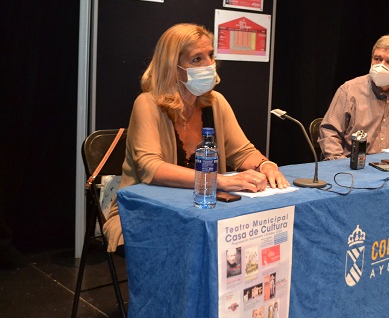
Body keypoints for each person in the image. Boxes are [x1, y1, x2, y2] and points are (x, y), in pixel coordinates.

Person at [103, 23, 289, 252]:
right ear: (173, 66)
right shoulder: (147, 104)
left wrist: (265, 165)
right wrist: (217, 181)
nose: (209, 65)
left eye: (210, 55)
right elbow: (151, 169)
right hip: (146, 212)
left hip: (203, 212)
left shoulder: (216, 102)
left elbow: (242, 152)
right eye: (197, 59)